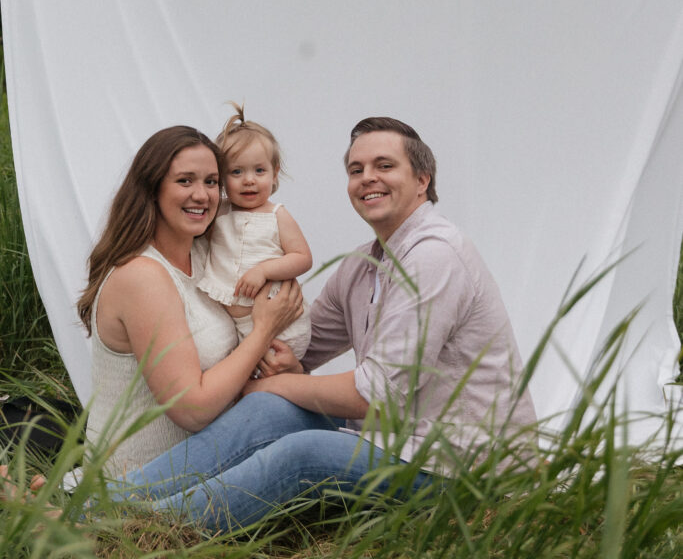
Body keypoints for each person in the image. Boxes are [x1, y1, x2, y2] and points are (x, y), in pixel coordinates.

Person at [105, 117, 537, 530]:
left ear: (423, 180)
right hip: (398, 442)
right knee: (268, 409)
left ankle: (118, 528)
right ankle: (99, 503)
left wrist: (271, 383)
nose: (368, 177)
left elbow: (375, 397)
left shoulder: (435, 256)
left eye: (385, 166)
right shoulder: (366, 265)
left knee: (300, 453)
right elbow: (297, 349)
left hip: (460, 465)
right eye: (356, 169)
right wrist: (270, 354)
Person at [76, 125, 303, 477]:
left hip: (209, 462)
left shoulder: (206, 256)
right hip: (141, 479)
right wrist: (264, 330)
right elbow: (192, 411)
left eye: (211, 182)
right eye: (185, 181)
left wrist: (283, 364)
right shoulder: (142, 275)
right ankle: (83, 508)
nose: (202, 195)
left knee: (312, 417)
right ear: (152, 189)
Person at [198, 104, 312, 358]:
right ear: (221, 178)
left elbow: (303, 257)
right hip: (240, 330)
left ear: (274, 174)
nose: (249, 180)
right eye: (236, 171)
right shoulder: (220, 212)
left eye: (259, 170)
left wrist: (263, 271)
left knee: (269, 377)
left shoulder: (276, 215)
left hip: (284, 327)